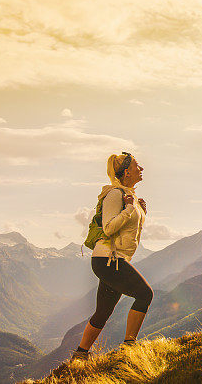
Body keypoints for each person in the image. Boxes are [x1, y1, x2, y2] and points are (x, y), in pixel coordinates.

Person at [71, 152, 152, 361]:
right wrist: (128, 209)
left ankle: (80, 355)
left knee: (103, 312)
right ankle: (129, 347)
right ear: (126, 171)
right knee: (145, 294)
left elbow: (128, 231)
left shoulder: (127, 196)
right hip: (108, 260)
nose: (141, 169)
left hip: (112, 260)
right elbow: (108, 228)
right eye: (137, 166)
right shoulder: (115, 194)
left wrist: (140, 212)